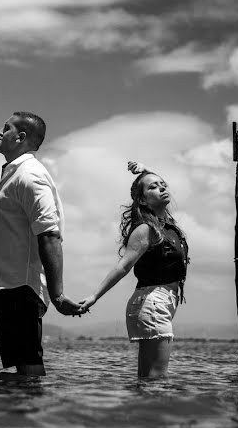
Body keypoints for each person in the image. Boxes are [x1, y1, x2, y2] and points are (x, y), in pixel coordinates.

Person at [0, 111, 83, 378]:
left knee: (28, 362)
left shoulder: (30, 176)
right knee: (18, 365)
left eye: (6, 128)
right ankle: (18, 419)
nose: (0, 132)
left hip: (21, 285)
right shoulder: (15, 173)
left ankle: (30, 416)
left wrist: (58, 293)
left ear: (21, 137)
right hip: (6, 281)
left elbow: (49, 234)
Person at [79, 161, 189, 378]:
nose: (162, 188)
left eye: (163, 184)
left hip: (159, 302)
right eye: (153, 187)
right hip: (153, 302)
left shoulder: (165, 225)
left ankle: (140, 411)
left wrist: (146, 171)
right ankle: (145, 412)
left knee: (149, 380)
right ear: (142, 199)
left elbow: (155, 183)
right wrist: (94, 296)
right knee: (156, 379)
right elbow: (123, 266)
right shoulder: (146, 229)